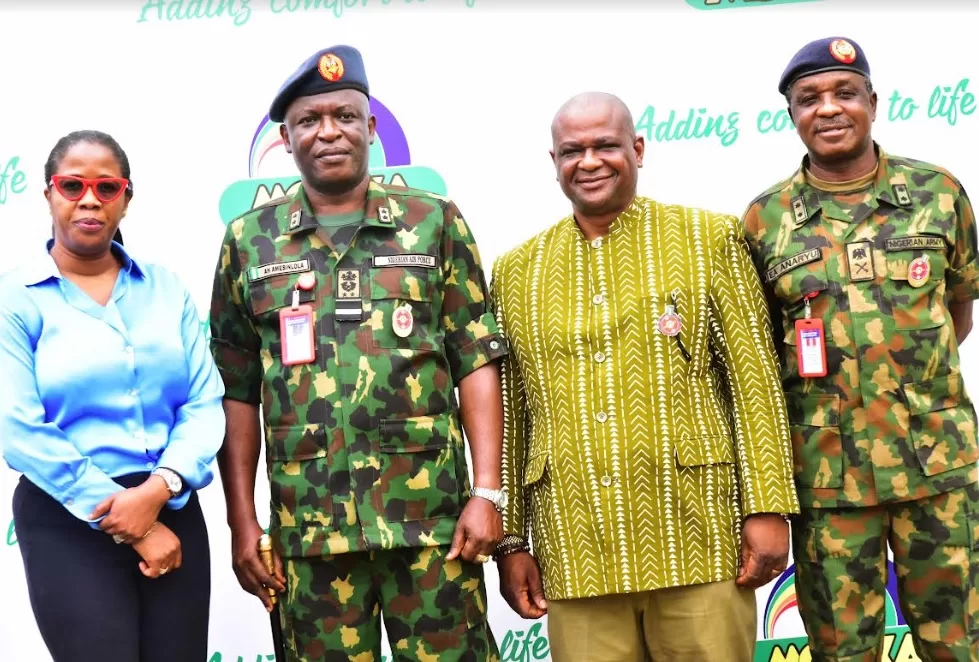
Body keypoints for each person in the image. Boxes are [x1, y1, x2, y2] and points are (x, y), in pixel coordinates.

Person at [208, 45, 508, 661]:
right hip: (310, 535)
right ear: (286, 140)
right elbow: (236, 391)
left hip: (433, 527)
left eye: (344, 116)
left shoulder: (434, 222)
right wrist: (243, 523)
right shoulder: (249, 241)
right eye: (309, 121)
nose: (328, 132)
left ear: (370, 127)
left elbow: (475, 359)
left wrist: (487, 493)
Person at [489, 91, 800, 662]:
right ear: (554, 162)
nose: (589, 161)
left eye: (605, 146)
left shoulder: (707, 239)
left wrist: (767, 507)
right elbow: (512, 416)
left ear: (637, 148)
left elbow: (754, 383)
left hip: (697, 537)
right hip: (576, 547)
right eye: (572, 151)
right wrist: (511, 539)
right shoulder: (517, 272)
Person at [741, 36, 979, 662]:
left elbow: (957, 313)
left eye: (845, 93)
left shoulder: (939, 193)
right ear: (791, 114)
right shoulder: (765, 220)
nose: (828, 108)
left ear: (872, 102)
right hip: (828, 482)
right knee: (842, 653)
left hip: (937, 470)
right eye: (809, 98)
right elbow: (764, 350)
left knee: (961, 644)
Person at [0, 129, 226, 662]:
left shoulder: (166, 289)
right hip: (66, 515)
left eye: (106, 187)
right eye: (72, 185)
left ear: (126, 198)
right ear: (49, 194)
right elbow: (18, 428)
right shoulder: (14, 300)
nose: (89, 200)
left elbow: (203, 402)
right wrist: (132, 524)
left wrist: (159, 489)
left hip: (171, 506)